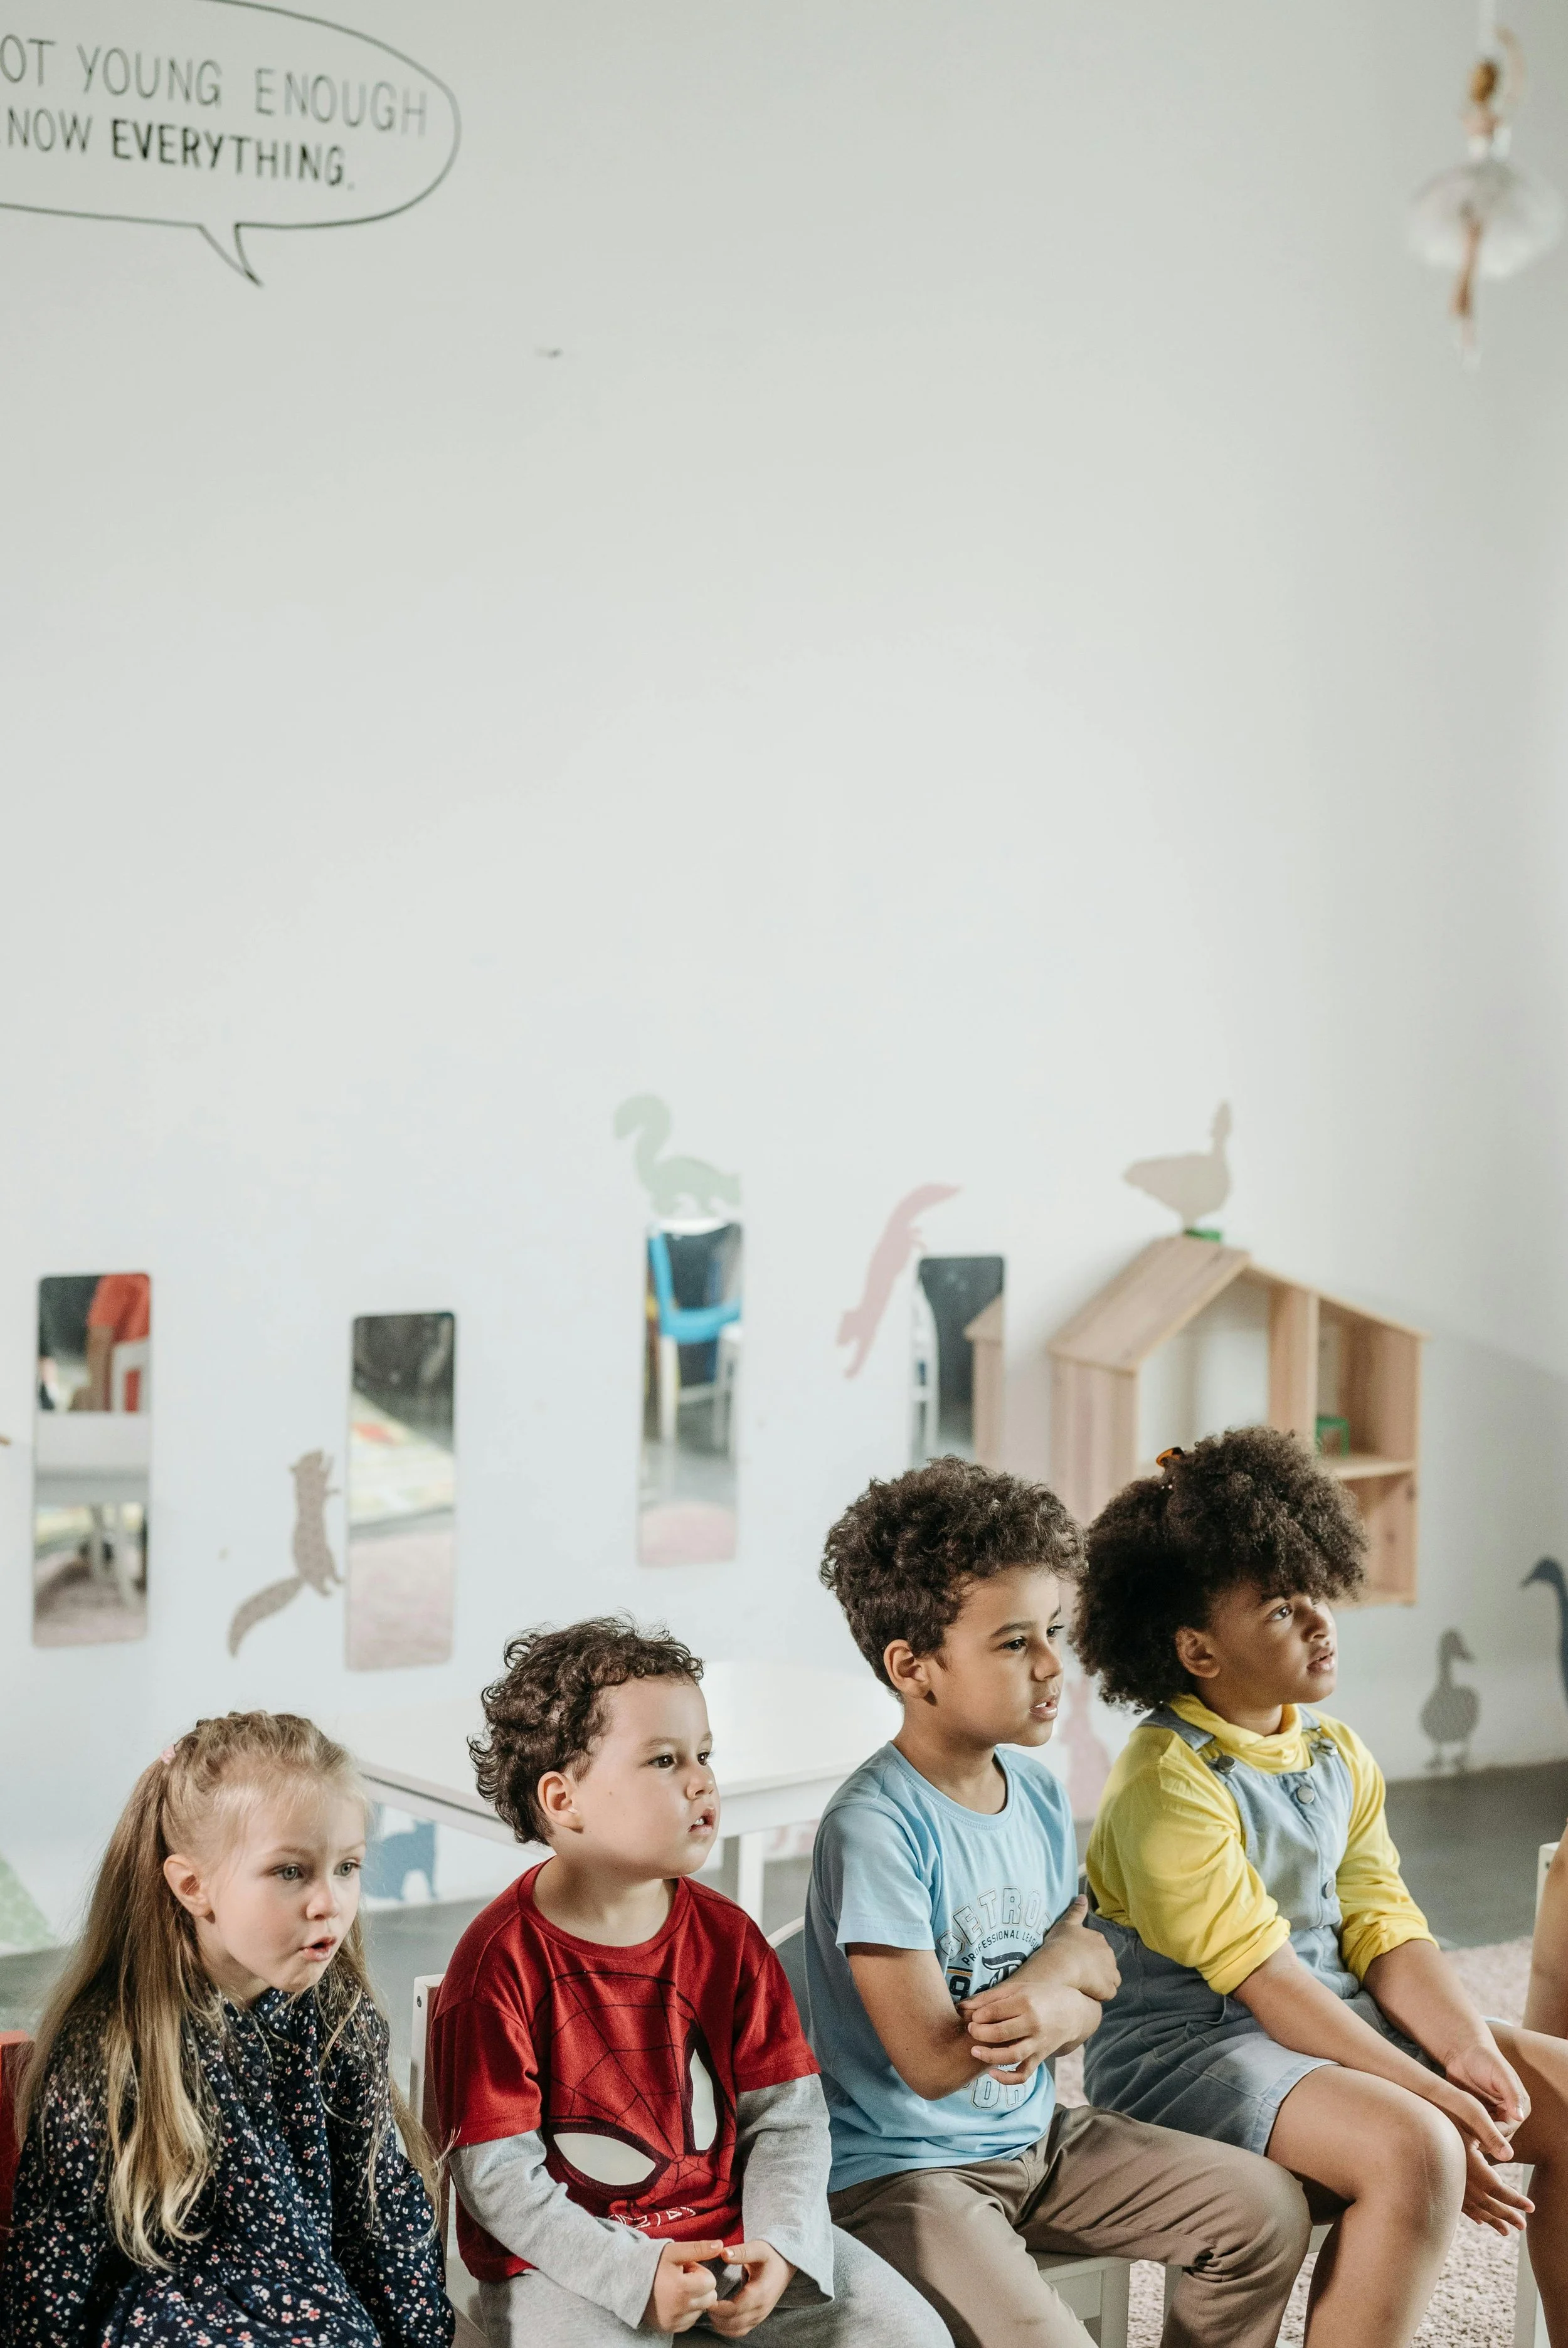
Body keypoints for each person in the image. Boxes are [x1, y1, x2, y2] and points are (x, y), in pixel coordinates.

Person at [1076, 1426, 1568, 2348]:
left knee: (1563, 2095)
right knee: (1416, 2149)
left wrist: (1466, 2052)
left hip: (1323, 2024)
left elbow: (1384, 1930)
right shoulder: (1164, 1781)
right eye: (1276, 1610)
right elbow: (1270, 1984)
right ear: (1197, 1652)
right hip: (1193, 2052)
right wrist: (1433, 2099)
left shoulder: (1335, 1751)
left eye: (1312, 1595)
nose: (1317, 1622)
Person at [806, 1456, 1311, 2348]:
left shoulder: (1035, 1794)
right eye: (1013, 1644)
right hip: (904, 2177)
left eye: (1052, 1630)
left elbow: (1094, 1974)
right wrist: (1055, 1987)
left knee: (1263, 2209)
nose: (1052, 1666)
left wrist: (1054, 1995)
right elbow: (930, 2061)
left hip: (1040, 2140)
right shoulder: (874, 1827)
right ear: (913, 1667)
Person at [428, 1617, 948, 2347]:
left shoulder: (729, 1940)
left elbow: (788, 2122)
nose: (701, 1780)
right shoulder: (495, 1965)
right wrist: (635, 2276)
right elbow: (496, 2180)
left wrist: (780, 2248)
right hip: (568, 2268)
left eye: (703, 1754)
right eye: (663, 1760)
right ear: (562, 1800)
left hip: (734, 2240)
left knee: (910, 2337)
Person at [0, 1710, 452, 2348]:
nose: (330, 1902)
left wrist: (420, 2339)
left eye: (347, 1867)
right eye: (290, 1872)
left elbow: (376, 2205)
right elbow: (59, 2256)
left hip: (319, 2309)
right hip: (169, 2322)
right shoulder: (113, 2046)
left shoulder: (339, 2016)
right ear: (194, 1886)